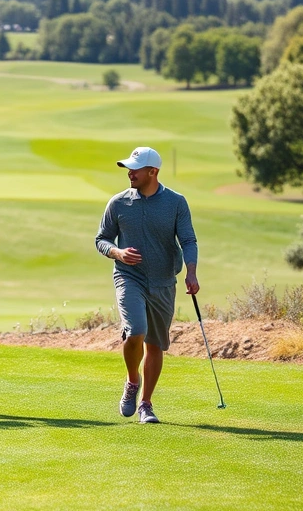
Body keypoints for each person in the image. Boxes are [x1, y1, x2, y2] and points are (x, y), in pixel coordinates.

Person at [95, 146, 199, 424]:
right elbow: (101, 240)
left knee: (155, 345)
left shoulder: (176, 203)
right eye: (129, 168)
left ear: (153, 172)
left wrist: (191, 272)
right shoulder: (118, 203)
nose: (130, 173)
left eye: (135, 169)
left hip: (165, 281)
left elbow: (188, 240)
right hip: (129, 277)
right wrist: (117, 253)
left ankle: (146, 405)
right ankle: (132, 381)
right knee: (135, 331)